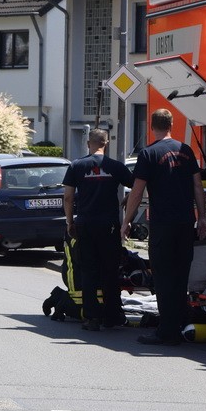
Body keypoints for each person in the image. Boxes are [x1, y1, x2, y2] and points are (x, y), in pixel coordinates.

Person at [122, 109, 206, 345]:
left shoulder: (148, 153)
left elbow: (137, 192)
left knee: (163, 276)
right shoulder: (186, 151)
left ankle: (166, 332)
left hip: (162, 224)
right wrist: (202, 217)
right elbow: (198, 187)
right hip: (184, 222)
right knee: (181, 276)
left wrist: (126, 221)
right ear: (172, 125)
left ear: (151, 126)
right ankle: (179, 324)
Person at [63, 128, 133, 331]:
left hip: (85, 224)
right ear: (106, 143)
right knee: (110, 270)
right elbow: (137, 184)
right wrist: (128, 198)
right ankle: (111, 316)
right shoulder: (116, 166)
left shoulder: (77, 166)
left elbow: (68, 197)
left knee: (89, 271)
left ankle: (91, 317)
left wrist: (70, 222)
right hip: (109, 225)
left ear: (88, 143)